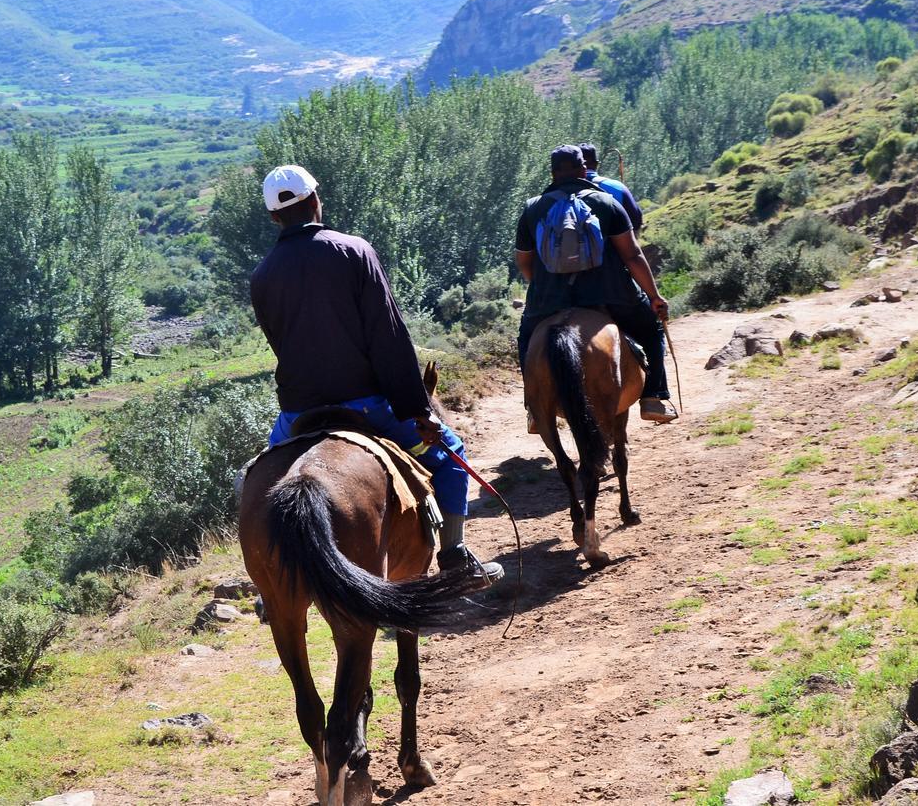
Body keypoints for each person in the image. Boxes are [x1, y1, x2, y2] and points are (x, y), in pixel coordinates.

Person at [250, 164, 503, 584]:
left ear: (274, 217)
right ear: (316, 200)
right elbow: (388, 337)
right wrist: (417, 409)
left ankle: (270, 579)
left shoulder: (261, 276)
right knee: (451, 459)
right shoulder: (353, 250)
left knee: (256, 484)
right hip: (366, 404)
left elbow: (282, 345)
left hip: (298, 412)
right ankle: (455, 555)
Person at [515, 145, 678, 425]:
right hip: (613, 294)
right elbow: (632, 254)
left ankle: (535, 407)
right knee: (650, 328)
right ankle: (653, 397)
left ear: (553, 173)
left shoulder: (533, 208)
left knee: (527, 341)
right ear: (584, 168)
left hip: (550, 300)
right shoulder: (606, 202)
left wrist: (541, 289)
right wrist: (654, 296)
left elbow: (524, 262)